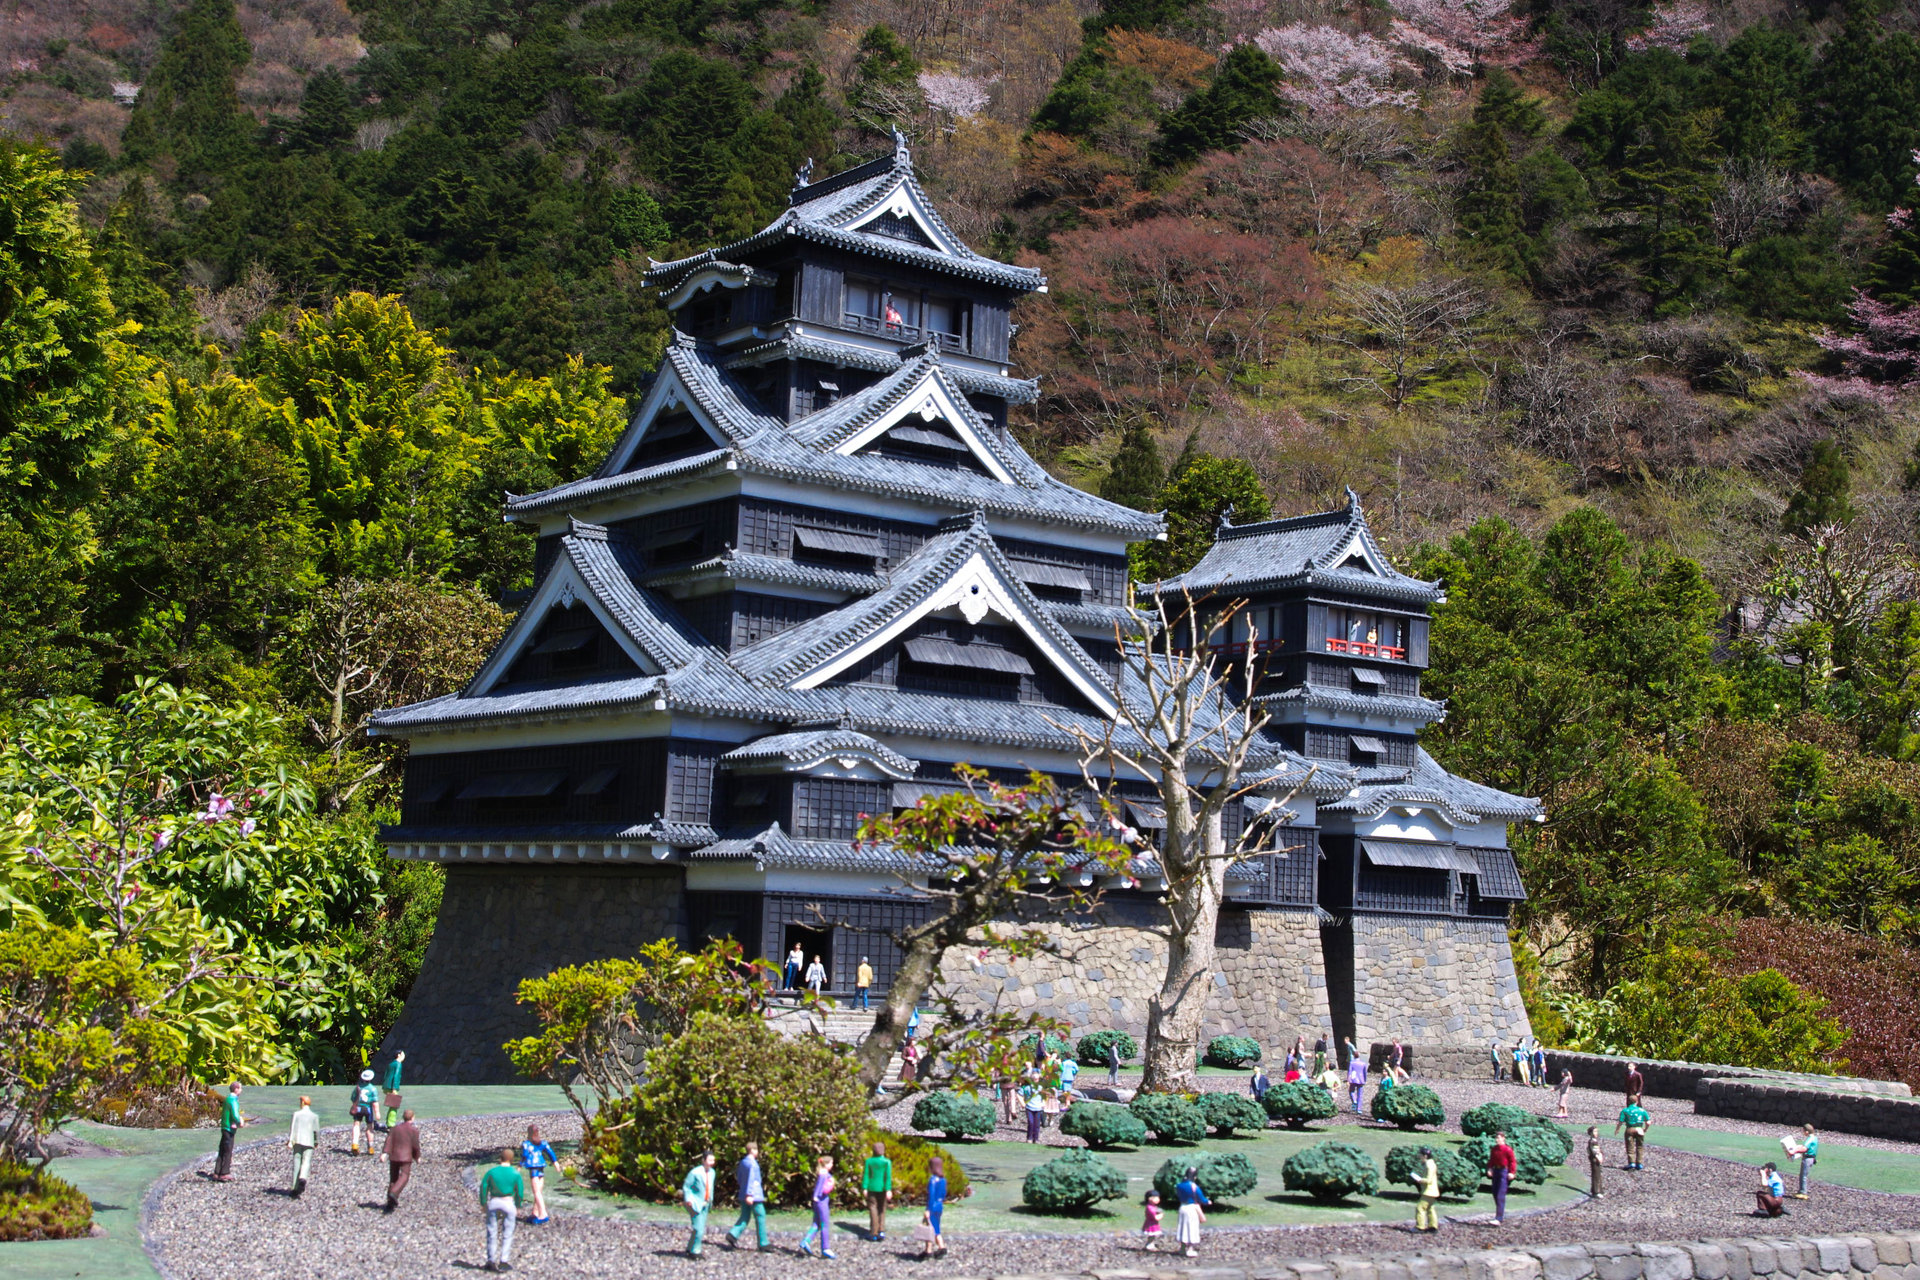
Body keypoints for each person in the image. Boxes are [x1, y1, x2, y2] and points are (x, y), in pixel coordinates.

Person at [479, 1148, 527, 1273]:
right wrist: (518, 1205)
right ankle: (504, 1260)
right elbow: (520, 1192)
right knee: (508, 1232)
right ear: (511, 1159)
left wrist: (483, 1203)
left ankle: (490, 1260)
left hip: (494, 1201)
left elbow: (484, 1187)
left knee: (492, 1232)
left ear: (500, 1158)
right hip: (508, 1201)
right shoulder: (515, 1173)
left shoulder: (491, 1172)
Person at [725, 1141, 770, 1251]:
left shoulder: (743, 1163)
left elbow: (740, 1178)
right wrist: (749, 1194)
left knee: (745, 1216)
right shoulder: (752, 1164)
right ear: (753, 1150)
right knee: (760, 1215)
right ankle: (763, 1242)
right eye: (756, 1149)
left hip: (743, 1192)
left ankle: (733, 1234)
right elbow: (751, 1179)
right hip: (754, 1194)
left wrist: (744, 1190)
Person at [799, 1155, 837, 1259]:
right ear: (826, 1164)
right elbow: (820, 1188)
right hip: (822, 1202)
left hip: (819, 1201)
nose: (832, 1165)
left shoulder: (823, 1174)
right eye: (831, 1163)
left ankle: (806, 1241)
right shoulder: (824, 1174)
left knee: (816, 1224)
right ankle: (825, 1248)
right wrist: (816, 1196)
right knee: (825, 1224)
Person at [383, 1108, 421, 1212]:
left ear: (403, 1117)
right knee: (404, 1176)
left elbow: (389, 1141)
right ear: (413, 1118)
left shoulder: (395, 1128)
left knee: (393, 1178)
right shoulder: (414, 1130)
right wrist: (417, 1157)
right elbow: (415, 1146)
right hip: (406, 1157)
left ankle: (390, 1203)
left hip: (394, 1156)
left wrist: (385, 1153)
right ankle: (394, 1193)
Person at [682, 1150, 716, 1258]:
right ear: (703, 1160)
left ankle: (690, 1247)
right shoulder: (695, 1173)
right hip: (695, 1203)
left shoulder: (712, 1173)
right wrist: (689, 1199)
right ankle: (695, 1251)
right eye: (709, 1160)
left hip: (705, 1203)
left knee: (699, 1226)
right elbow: (687, 1187)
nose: (712, 1162)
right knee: (698, 1228)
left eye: (713, 1160)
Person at [520, 1124, 556, 1224]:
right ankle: (535, 1212)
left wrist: (519, 1165)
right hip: (541, 1166)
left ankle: (543, 1214)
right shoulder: (542, 1143)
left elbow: (524, 1155)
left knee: (536, 1192)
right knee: (538, 1191)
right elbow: (550, 1152)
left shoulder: (526, 1144)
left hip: (533, 1168)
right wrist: (555, 1162)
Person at [1174, 1164, 1210, 1258]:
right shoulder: (1194, 1186)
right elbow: (1201, 1199)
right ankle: (1190, 1249)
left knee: (1183, 1227)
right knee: (1191, 1228)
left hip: (1182, 1207)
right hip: (1191, 1208)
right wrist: (1207, 1201)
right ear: (1195, 1176)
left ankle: (1182, 1248)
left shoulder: (1179, 1185)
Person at [286, 1095, 318, 1197]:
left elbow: (293, 1129)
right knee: (306, 1161)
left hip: (298, 1140)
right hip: (309, 1141)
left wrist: (290, 1141)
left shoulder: (296, 1114)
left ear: (303, 1103)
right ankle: (303, 1177)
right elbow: (316, 1131)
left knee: (297, 1162)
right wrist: (316, 1142)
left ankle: (294, 1187)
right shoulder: (314, 1116)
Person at [862, 1138, 893, 1241]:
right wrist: (888, 1189)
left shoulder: (869, 1161)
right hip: (883, 1188)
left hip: (871, 1187)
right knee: (882, 1209)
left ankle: (873, 1231)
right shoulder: (886, 1162)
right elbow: (887, 1177)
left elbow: (866, 1175)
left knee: (873, 1209)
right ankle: (881, 1230)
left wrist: (864, 1187)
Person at [213, 1082, 244, 1181]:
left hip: (224, 1126)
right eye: (240, 1088)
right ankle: (224, 1172)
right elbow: (235, 1114)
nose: (241, 1090)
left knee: (222, 1149)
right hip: (229, 1128)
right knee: (228, 1150)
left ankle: (217, 1171)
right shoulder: (233, 1100)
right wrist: (239, 1122)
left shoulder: (227, 1099)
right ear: (236, 1089)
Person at [1488, 1131, 1516, 1225]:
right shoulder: (1494, 1149)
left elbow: (1512, 1161)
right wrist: (1490, 1169)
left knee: (1500, 1194)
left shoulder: (1507, 1149)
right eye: (1496, 1138)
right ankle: (1499, 1213)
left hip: (1504, 1171)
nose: (1497, 1140)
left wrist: (1512, 1172)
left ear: (1503, 1138)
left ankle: (1498, 1218)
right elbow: (1491, 1160)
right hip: (1496, 1171)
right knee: (1495, 1193)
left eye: (1499, 1138)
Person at [1615, 1095, 1650, 1170]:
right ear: (1637, 1101)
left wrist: (1617, 1129)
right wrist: (1645, 1129)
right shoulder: (1642, 1110)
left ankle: (1631, 1163)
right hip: (1639, 1129)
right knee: (1640, 1146)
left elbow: (1620, 1122)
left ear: (1628, 1101)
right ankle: (1639, 1163)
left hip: (1630, 1129)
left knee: (1630, 1146)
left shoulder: (1625, 1110)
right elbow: (1648, 1122)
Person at [923, 1154, 948, 1256]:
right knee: (935, 1226)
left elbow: (931, 1195)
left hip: (932, 1206)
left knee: (931, 1228)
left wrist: (928, 1209)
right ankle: (930, 1249)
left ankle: (937, 1248)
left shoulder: (933, 1180)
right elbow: (943, 1194)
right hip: (939, 1206)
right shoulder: (943, 1180)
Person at [350, 1070, 379, 1156]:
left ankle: (355, 1143)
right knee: (370, 1127)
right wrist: (377, 1112)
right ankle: (371, 1146)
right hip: (368, 1109)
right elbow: (375, 1102)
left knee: (356, 1125)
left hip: (358, 1107)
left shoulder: (358, 1087)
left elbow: (353, 1098)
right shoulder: (373, 1088)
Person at [1414, 1146, 1441, 1232]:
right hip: (1433, 1191)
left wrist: (1419, 1180)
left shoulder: (1428, 1165)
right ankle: (1433, 1226)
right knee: (1430, 1208)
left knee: (1420, 1208)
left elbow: (1428, 1180)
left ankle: (1420, 1227)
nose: (1419, 1156)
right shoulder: (1432, 1163)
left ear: (1425, 1156)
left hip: (1428, 1191)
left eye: (1420, 1155)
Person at [1790, 1124, 1818, 1199]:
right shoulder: (1814, 1138)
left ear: (1807, 1131)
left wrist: (1794, 1151)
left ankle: (1803, 1192)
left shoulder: (1810, 1139)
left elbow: (1804, 1149)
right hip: (1811, 1158)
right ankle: (1801, 1191)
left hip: (1807, 1158)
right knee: (1803, 1175)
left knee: (1803, 1175)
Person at [381, 1050, 406, 1128]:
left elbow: (385, 1075)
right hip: (392, 1087)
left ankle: (388, 1121)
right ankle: (391, 1124)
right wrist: (394, 1088)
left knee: (392, 1105)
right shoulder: (398, 1064)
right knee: (394, 1106)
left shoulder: (391, 1064)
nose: (404, 1056)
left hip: (386, 1086)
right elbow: (396, 1076)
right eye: (403, 1054)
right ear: (399, 1055)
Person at [1587, 1126, 1604, 1199]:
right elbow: (1595, 1151)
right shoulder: (1593, 1141)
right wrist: (1599, 1157)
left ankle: (1597, 1189)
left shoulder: (1593, 1141)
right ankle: (1596, 1191)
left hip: (1595, 1158)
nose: (1596, 1133)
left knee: (1598, 1174)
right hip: (1595, 1159)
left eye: (1596, 1131)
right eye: (1594, 1131)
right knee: (1596, 1175)